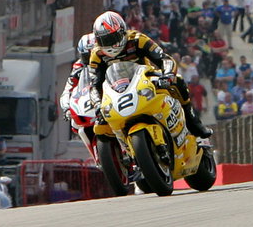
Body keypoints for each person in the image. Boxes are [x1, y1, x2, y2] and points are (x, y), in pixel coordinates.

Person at [86, 10, 212, 138]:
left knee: (178, 81)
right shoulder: (97, 55)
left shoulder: (137, 39)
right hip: (116, 91)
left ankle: (193, 122)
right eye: (104, 40)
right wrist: (97, 104)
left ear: (123, 31)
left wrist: (168, 75)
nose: (110, 44)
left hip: (145, 81)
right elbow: (94, 84)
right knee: (100, 125)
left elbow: (164, 59)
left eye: (112, 38)